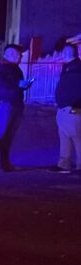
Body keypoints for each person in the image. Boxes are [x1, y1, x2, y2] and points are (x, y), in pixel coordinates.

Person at [0, 44, 32, 171]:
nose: (21, 56)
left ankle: (4, 163)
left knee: (9, 135)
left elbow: (11, 86)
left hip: (15, 103)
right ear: (10, 54)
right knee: (0, 133)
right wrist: (18, 85)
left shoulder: (15, 68)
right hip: (4, 103)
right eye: (19, 54)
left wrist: (22, 85)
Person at [52, 43, 81, 173]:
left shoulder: (76, 68)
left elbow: (75, 90)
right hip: (65, 107)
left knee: (76, 137)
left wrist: (71, 104)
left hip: (72, 108)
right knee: (65, 136)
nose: (63, 54)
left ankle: (76, 165)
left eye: (64, 51)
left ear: (68, 53)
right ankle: (64, 164)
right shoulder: (69, 67)